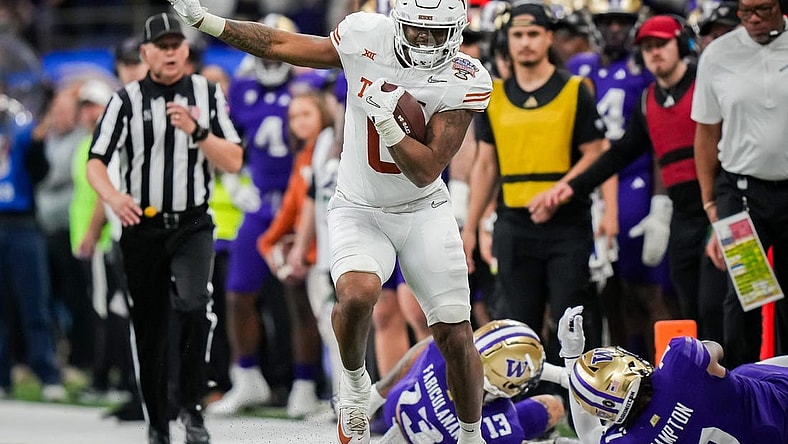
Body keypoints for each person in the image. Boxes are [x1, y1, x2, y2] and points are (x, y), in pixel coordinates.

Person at [167, 1, 493, 443]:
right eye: (418, 29)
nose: (428, 40)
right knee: (357, 294)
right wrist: (209, 22)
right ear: (397, 23)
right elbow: (279, 43)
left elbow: (426, 169)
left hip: (422, 209)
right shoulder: (365, 36)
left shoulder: (465, 77)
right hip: (359, 204)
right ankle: (355, 386)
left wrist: (389, 125)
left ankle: (471, 436)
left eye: (439, 32)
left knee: (454, 332)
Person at [86, 13, 243, 444]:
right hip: (142, 226)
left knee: (193, 306)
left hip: (192, 222)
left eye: (177, 44)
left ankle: (192, 407)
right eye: (163, 45)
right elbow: (96, 161)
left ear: (186, 50)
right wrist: (113, 197)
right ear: (146, 53)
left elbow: (233, 159)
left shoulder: (207, 93)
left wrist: (197, 131)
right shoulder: (125, 100)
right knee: (149, 325)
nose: (171, 52)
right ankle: (158, 423)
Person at [540, 15, 728, 347]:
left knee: (724, 303)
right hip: (683, 213)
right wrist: (573, 185)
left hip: (721, 205)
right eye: (648, 47)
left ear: (681, 45)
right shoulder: (648, 99)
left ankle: (745, 374)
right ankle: (697, 374)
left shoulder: (707, 85)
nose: (655, 53)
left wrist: (726, 211)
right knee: (688, 304)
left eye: (662, 44)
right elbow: (620, 153)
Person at [461, 1, 609, 363]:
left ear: (548, 38)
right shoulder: (494, 96)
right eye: (518, 35)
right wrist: (470, 228)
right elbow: (485, 165)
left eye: (533, 34)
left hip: (567, 222)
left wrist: (561, 190)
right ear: (507, 41)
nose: (525, 42)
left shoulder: (574, 89)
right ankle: (530, 397)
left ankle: (576, 396)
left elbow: (597, 152)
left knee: (571, 322)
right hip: (514, 222)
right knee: (517, 325)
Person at [205, 14, 299, 417]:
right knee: (239, 292)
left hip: (301, 201)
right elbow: (225, 143)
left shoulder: (306, 85)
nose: (271, 58)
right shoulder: (242, 89)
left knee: (300, 299)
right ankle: (246, 377)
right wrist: (235, 183)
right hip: (260, 204)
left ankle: (306, 381)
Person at [692, 0, 788, 368]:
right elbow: (706, 132)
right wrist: (709, 203)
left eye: (763, 9)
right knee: (746, 292)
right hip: (741, 190)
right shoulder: (719, 54)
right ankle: (742, 384)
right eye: (745, 12)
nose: (754, 19)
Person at [556, 305, 788, 443]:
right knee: (743, 374)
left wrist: (571, 356)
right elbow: (715, 349)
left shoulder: (631, 439)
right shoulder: (679, 364)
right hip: (778, 408)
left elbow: (589, 434)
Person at [370, 319, 570, 443]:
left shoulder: (439, 352)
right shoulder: (502, 427)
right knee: (553, 406)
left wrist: (377, 393)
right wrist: (563, 374)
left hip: (395, 412)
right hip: (470, 429)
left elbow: (417, 354)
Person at [0, 93, 66, 401]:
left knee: (34, 303)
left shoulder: (21, 124)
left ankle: (47, 373)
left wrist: (38, 145)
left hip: (22, 223)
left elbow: (40, 174)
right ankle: (2, 377)